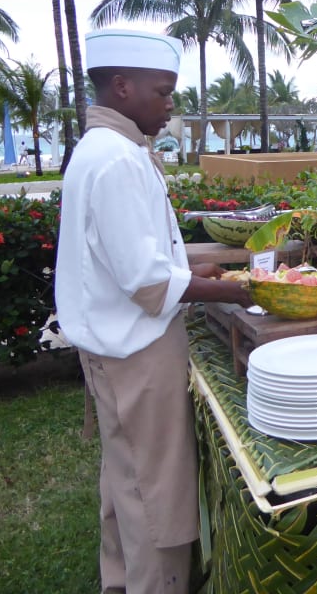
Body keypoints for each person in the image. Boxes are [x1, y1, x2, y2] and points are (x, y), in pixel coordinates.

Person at [55, 29, 252, 594]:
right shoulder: (117, 160)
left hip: (112, 350)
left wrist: (193, 269)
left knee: (126, 480)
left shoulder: (101, 149)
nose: (170, 105)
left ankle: (119, 581)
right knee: (155, 492)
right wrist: (240, 291)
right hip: (138, 354)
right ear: (122, 87)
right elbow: (147, 284)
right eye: (163, 92)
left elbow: (133, 257)